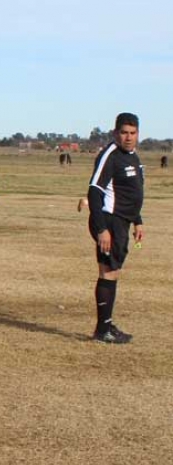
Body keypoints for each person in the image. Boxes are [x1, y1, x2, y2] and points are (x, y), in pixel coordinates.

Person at [86, 112, 145, 344]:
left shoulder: (132, 156)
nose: (128, 138)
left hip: (122, 221)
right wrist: (101, 229)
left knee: (113, 272)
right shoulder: (110, 155)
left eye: (132, 133)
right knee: (107, 272)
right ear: (115, 133)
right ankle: (103, 330)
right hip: (109, 221)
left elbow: (131, 193)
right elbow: (94, 191)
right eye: (124, 133)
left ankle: (106, 325)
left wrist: (137, 220)